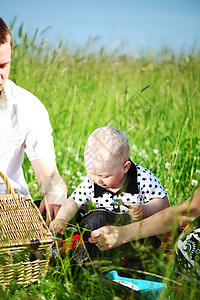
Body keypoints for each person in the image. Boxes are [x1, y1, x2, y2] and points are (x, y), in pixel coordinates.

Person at [0, 18, 67, 225]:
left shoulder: (28, 106)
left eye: (3, 65)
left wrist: (54, 195)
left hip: (12, 213)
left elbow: (49, 177)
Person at [50, 126, 169, 238]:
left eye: (104, 175)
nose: (97, 180)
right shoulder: (93, 182)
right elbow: (74, 202)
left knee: (99, 220)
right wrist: (61, 219)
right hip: (104, 223)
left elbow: (163, 202)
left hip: (133, 228)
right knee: (94, 220)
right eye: (92, 173)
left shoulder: (142, 178)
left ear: (125, 167)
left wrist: (146, 209)